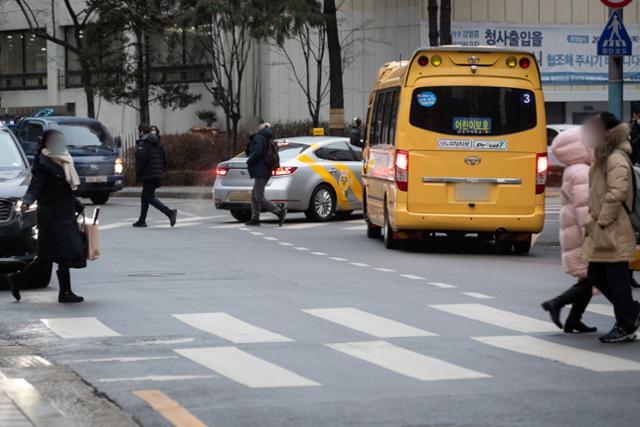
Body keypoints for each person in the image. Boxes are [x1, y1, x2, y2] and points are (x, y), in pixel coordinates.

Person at [581, 112, 640, 343]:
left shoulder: (616, 158)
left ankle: (625, 323)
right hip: (602, 227)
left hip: (613, 227)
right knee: (596, 274)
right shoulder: (602, 156)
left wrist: (603, 220)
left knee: (617, 279)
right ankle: (630, 312)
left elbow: (617, 193)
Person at [9, 129, 85, 303]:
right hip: (51, 217)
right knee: (63, 255)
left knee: (45, 258)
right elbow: (36, 186)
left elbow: (65, 189)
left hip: (64, 213)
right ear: (47, 143)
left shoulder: (64, 159)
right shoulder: (43, 163)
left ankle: (17, 279)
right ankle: (65, 292)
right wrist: (27, 201)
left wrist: (78, 205)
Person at [541, 127, 597, 333]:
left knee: (590, 278)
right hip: (581, 234)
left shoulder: (575, 168)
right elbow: (584, 209)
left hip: (573, 231)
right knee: (598, 278)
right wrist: (591, 237)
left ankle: (573, 318)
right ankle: (556, 303)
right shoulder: (582, 171)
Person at [133, 123, 177, 228]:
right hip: (156, 173)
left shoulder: (143, 143)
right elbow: (164, 160)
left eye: (139, 131)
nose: (139, 133)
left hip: (148, 174)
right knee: (145, 197)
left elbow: (141, 160)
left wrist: (138, 172)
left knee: (150, 198)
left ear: (142, 131)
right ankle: (142, 220)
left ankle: (170, 213)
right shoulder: (158, 143)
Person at [245, 122, 286, 227]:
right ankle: (255, 218)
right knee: (254, 196)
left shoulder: (259, 138)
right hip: (264, 169)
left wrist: (249, 161)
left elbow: (256, 153)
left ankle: (278, 211)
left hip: (261, 170)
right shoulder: (265, 137)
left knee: (258, 196)